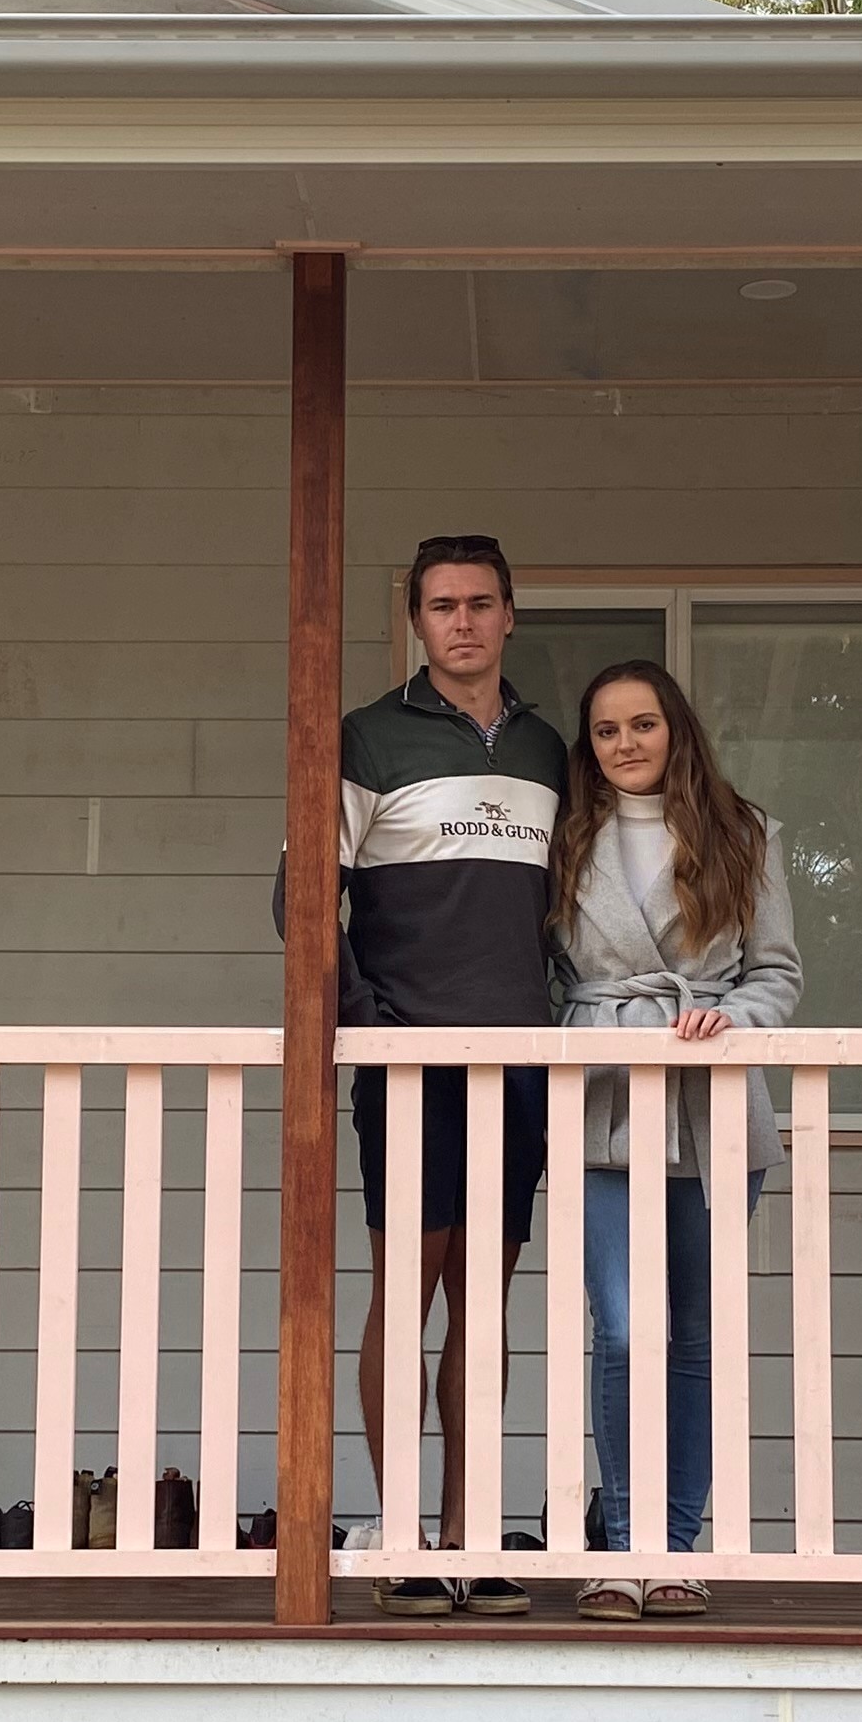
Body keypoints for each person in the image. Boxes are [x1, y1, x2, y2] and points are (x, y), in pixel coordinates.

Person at [276, 532, 566, 1613]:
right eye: (442, 605)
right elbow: (302, 897)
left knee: (478, 1306)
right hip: (408, 1062)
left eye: (482, 603)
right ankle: (404, 1535)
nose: (463, 622)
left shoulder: (547, 749)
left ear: (509, 615)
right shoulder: (367, 737)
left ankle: (471, 1533)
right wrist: (366, 1020)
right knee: (408, 1294)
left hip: (519, 1061)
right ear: (416, 620)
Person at [548, 659, 800, 1619]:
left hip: (708, 1108)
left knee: (689, 1333)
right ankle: (622, 1548)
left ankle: (677, 1551)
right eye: (606, 730)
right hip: (604, 1108)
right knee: (622, 1328)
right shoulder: (566, 839)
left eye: (642, 725)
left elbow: (776, 971)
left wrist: (729, 1021)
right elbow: (541, 976)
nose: (625, 745)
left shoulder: (745, 832)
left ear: (676, 730)